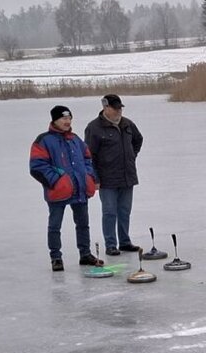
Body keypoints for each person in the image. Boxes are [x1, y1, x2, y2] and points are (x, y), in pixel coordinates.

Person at [29, 105, 102, 271]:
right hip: (58, 191)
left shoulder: (75, 139)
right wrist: (57, 181)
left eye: (69, 118)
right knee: (55, 226)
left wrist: (89, 176)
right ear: (55, 120)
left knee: (83, 224)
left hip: (80, 188)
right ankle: (56, 257)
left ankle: (85, 254)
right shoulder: (43, 140)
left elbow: (87, 159)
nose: (67, 121)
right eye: (63, 118)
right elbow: (37, 166)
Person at [84, 93, 144, 255]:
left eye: (120, 108)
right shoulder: (94, 128)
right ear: (105, 107)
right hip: (107, 179)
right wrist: (95, 178)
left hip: (127, 176)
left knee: (124, 211)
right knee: (110, 212)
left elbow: (138, 140)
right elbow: (89, 155)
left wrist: (131, 155)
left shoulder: (127, 124)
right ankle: (111, 244)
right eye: (115, 108)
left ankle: (125, 242)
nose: (119, 111)